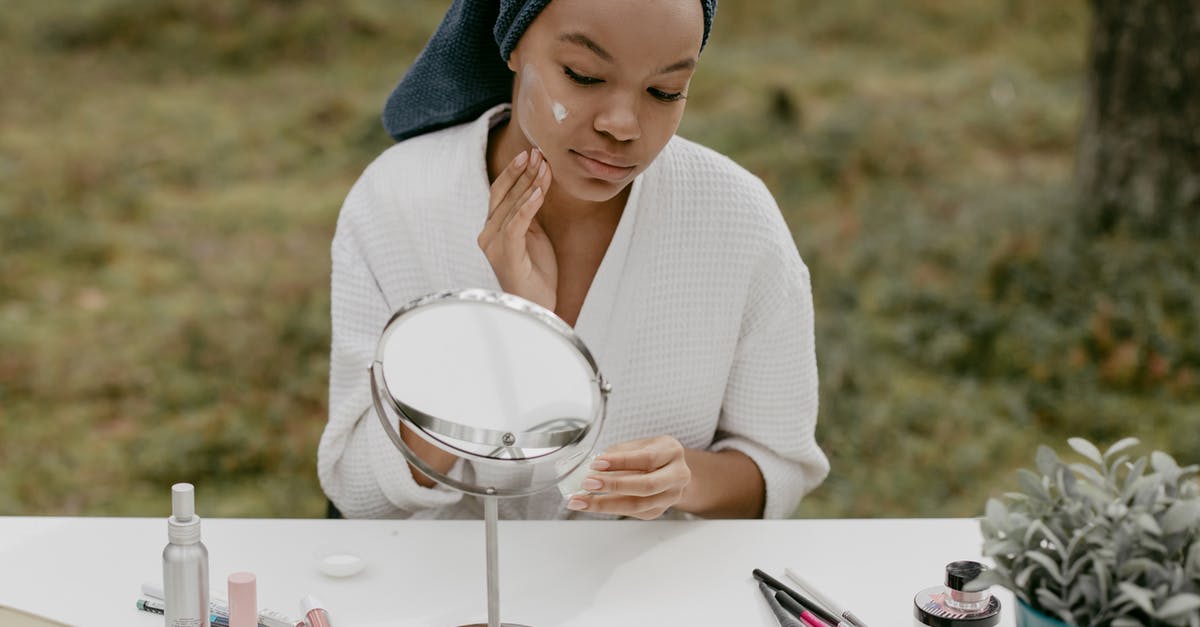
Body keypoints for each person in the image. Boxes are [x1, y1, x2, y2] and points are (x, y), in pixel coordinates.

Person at [317, 0, 829, 521]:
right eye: (583, 76)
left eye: (664, 91)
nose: (623, 125)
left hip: (645, 592)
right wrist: (502, 330)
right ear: (513, 45)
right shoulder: (396, 201)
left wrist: (684, 481)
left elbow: (780, 468)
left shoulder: (736, 218)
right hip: (447, 592)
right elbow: (358, 492)